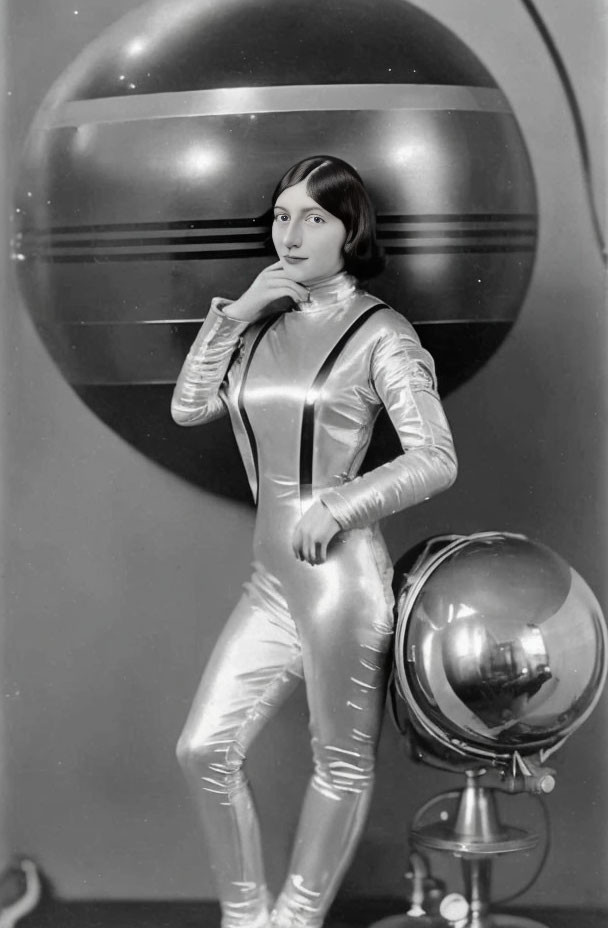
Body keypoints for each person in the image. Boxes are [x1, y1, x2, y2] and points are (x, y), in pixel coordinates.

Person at [171, 155, 458, 928]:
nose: (291, 234)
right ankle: (246, 917)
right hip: (269, 578)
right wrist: (232, 316)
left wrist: (340, 506)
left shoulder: (382, 331)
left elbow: (436, 455)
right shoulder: (259, 322)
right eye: (281, 215)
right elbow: (189, 408)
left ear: (350, 229)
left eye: (315, 218)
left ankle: (295, 920)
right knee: (202, 751)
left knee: (339, 762)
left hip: (339, 579)